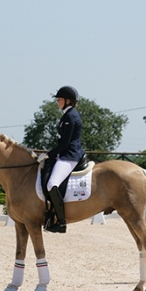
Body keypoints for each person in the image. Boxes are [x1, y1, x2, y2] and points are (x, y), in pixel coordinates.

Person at [37, 85, 85, 233]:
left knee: (52, 184)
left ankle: (61, 222)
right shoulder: (67, 115)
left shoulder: (71, 116)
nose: (57, 101)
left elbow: (65, 143)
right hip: (65, 153)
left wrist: (50, 154)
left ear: (68, 101)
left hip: (70, 155)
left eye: (59, 99)